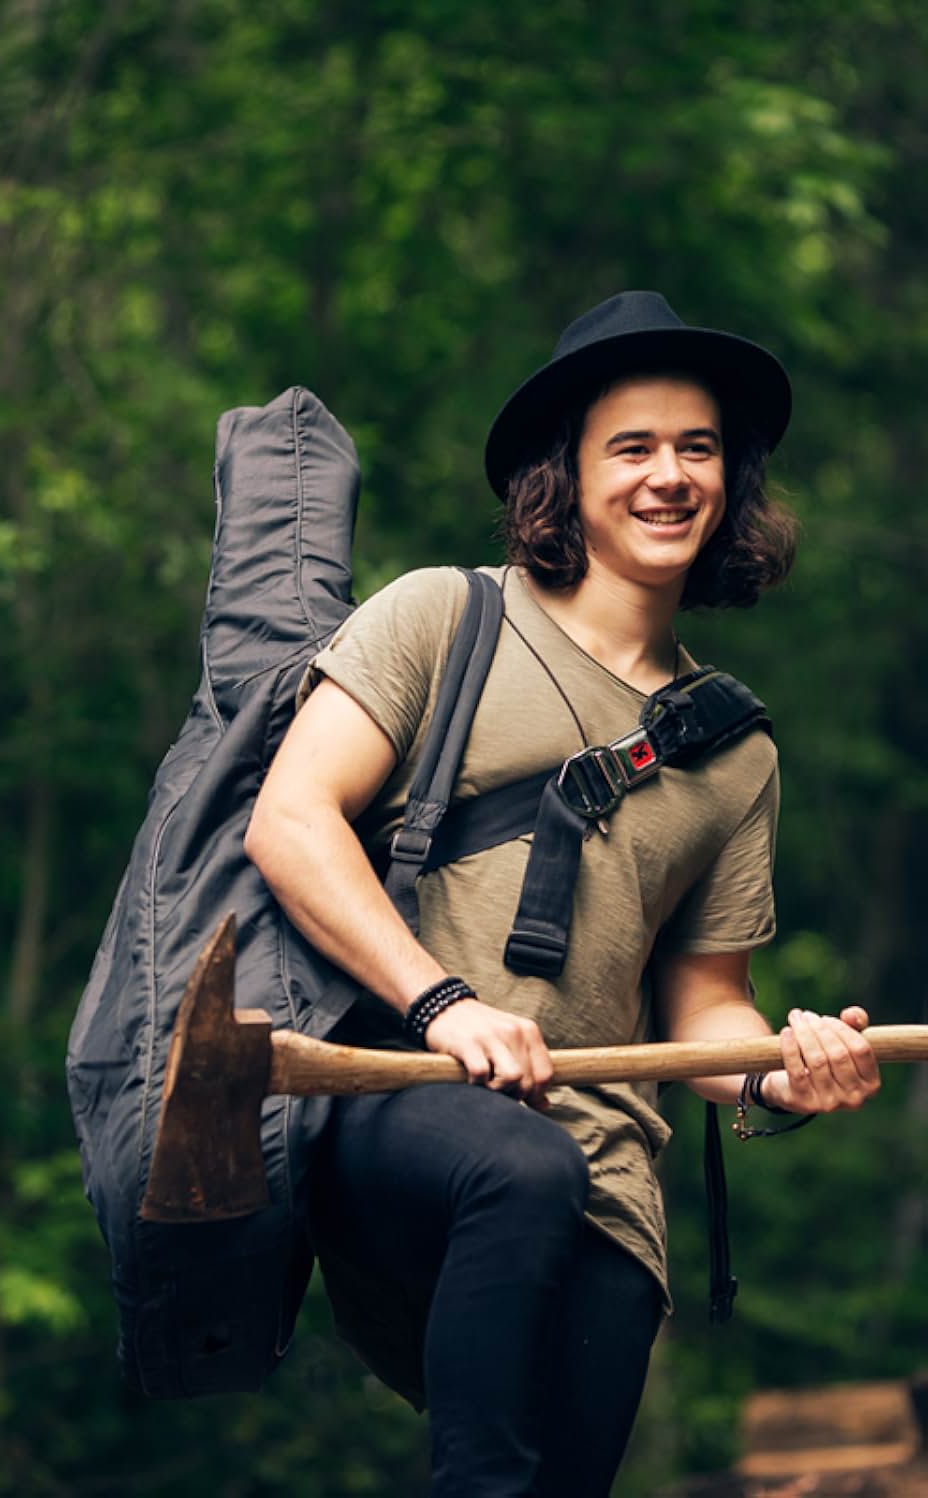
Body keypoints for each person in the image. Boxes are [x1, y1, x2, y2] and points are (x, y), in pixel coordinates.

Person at [244, 291, 881, 1497]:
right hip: (397, 1092)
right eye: (630, 447)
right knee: (517, 1176)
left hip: (609, 1174)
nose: (668, 476)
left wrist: (778, 1073)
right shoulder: (446, 616)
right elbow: (291, 820)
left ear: (729, 483)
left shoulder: (738, 755)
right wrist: (443, 1004)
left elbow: (704, 1012)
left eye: (696, 448)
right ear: (568, 478)